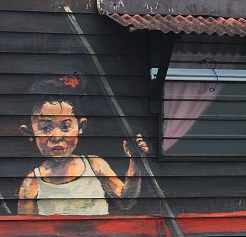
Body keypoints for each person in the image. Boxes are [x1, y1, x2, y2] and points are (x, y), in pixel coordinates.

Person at [17, 75, 149, 215]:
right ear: (29, 133)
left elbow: (125, 201)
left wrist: (135, 161)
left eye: (65, 127)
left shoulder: (94, 165)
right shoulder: (32, 183)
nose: (56, 136)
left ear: (80, 126)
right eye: (45, 128)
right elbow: (25, 228)